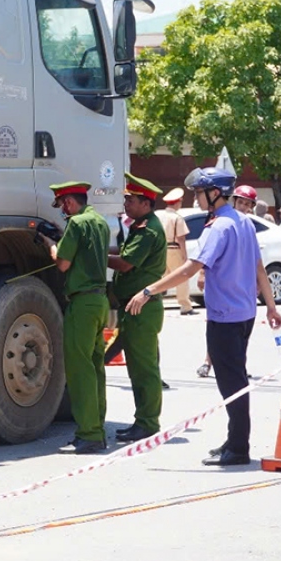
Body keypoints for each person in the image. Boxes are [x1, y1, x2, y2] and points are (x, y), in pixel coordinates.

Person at [126, 167, 281, 467]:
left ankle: (238, 448)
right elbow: (259, 267)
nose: (195, 197)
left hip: (224, 317)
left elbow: (190, 268)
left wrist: (149, 290)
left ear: (214, 193)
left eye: (199, 192)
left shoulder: (219, 227)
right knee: (235, 378)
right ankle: (234, 440)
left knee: (231, 384)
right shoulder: (244, 222)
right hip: (245, 314)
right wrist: (272, 306)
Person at [42, 180, 111, 454]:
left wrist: (49, 244)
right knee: (96, 367)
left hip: (81, 303)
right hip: (100, 300)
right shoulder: (101, 222)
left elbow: (63, 263)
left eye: (62, 206)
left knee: (80, 370)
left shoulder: (77, 224)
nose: (63, 211)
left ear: (69, 202)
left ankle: (89, 434)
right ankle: (98, 428)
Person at [108, 173, 168, 441]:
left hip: (143, 308)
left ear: (145, 203)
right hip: (134, 307)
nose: (126, 205)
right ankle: (142, 420)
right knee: (137, 367)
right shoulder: (140, 225)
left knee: (144, 369)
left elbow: (125, 264)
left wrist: (91, 253)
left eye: (130, 200)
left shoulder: (148, 230)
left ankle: (147, 422)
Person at [155, 187, 194, 315]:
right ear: (177, 203)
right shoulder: (177, 218)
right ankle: (185, 305)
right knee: (181, 278)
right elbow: (181, 238)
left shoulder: (158, 215)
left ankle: (155, 301)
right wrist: (184, 256)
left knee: (161, 277)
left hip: (160, 250)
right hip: (174, 249)